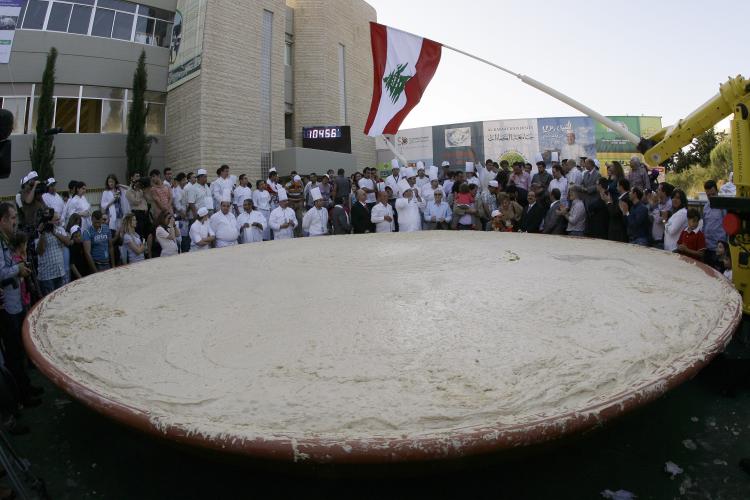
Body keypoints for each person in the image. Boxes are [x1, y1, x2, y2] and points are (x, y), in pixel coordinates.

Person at [0, 203, 42, 408]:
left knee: (18, 350)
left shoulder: (5, 241)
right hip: (8, 306)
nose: (16, 221)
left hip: (15, 302)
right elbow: (1, 272)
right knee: (14, 353)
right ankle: (21, 396)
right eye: (13, 217)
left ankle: (25, 387)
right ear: (3, 220)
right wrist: (18, 268)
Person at [36, 209, 69, 295]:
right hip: (47, 276)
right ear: (49, 221)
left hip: (60, 272)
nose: (59, 221)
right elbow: (40, 251)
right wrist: (43, 233)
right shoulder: (39, 231)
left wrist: (54, 232)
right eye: (56, 220)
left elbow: (68, 242)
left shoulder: (59, 230)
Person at [701, 180, 727, 266]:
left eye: (713, 194)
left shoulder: (723, 206)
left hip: (719, 249)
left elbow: (727, 226)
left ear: (717, 191)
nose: (711, 197)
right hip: (707, 247)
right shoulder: (705, 207)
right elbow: (704, 225)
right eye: (709, 195)